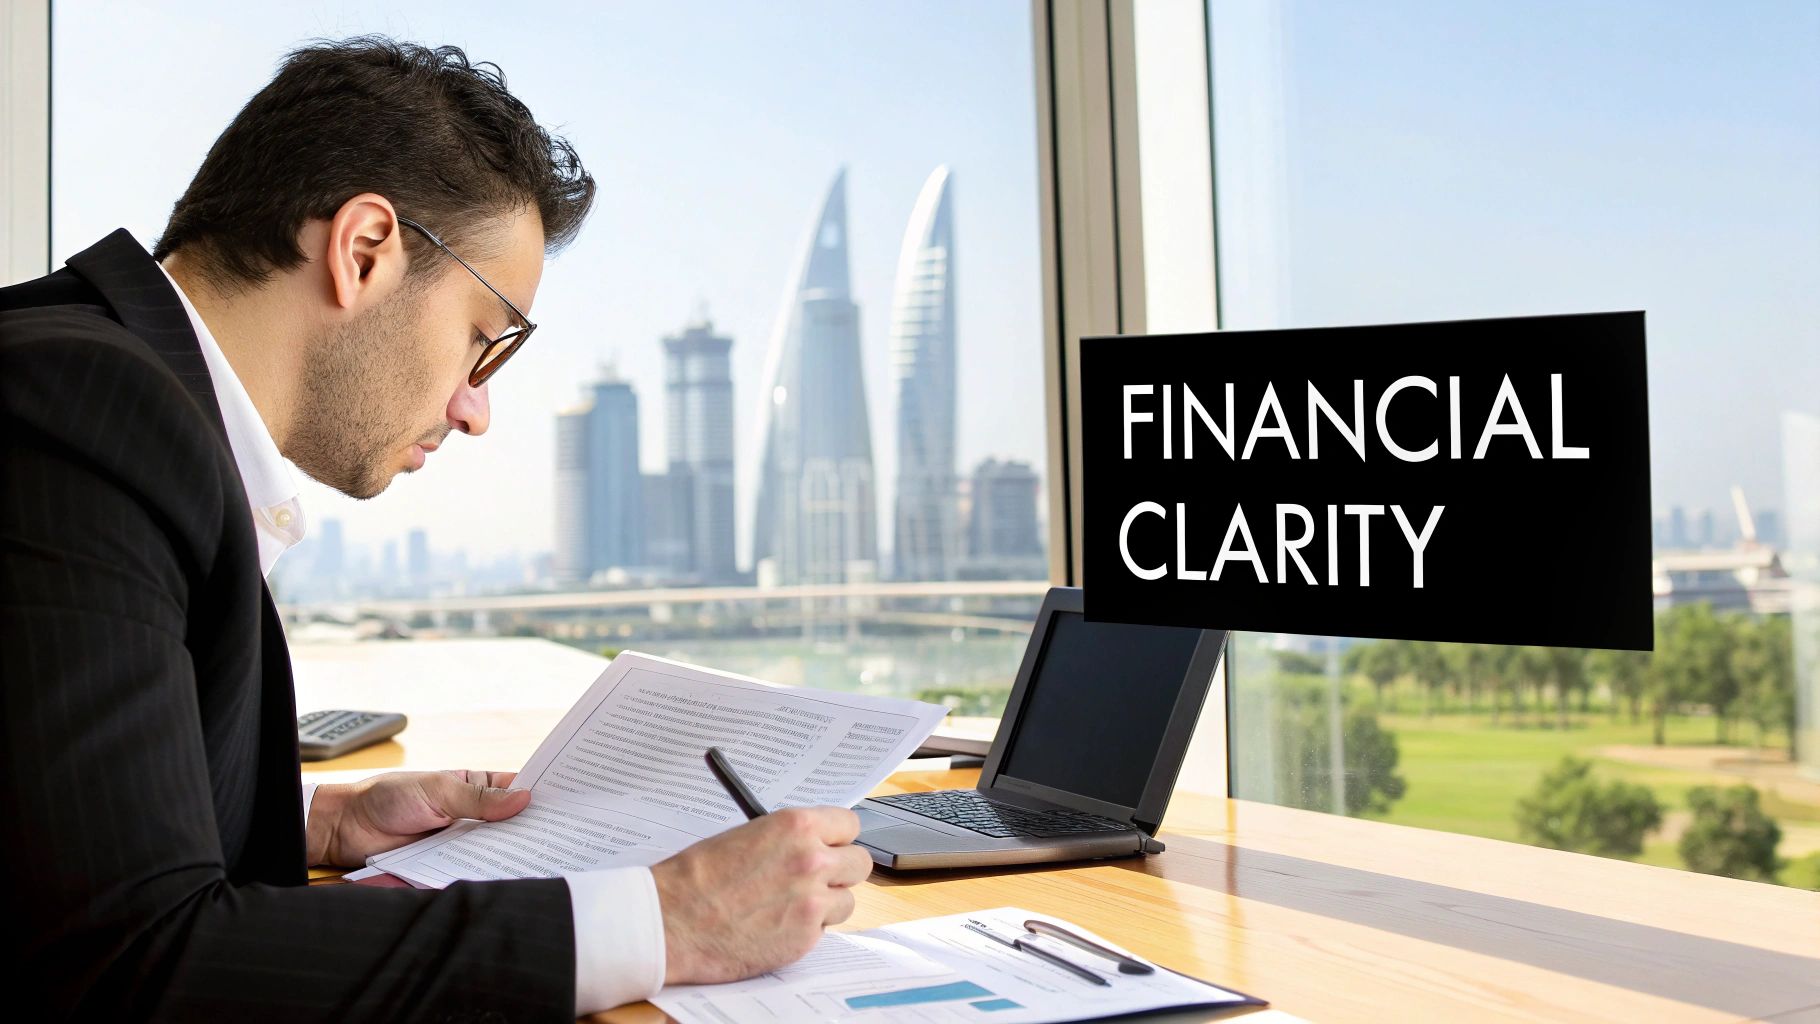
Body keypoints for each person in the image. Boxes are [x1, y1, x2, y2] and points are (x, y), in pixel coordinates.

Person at [0, 36, 871, 1021]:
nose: (473, 408)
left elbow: (47, 824)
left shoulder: (107, 390)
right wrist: (669, 920)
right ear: (364, 251)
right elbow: (128, 961)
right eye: (482, 340)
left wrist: (319, 818)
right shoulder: (81, 410)